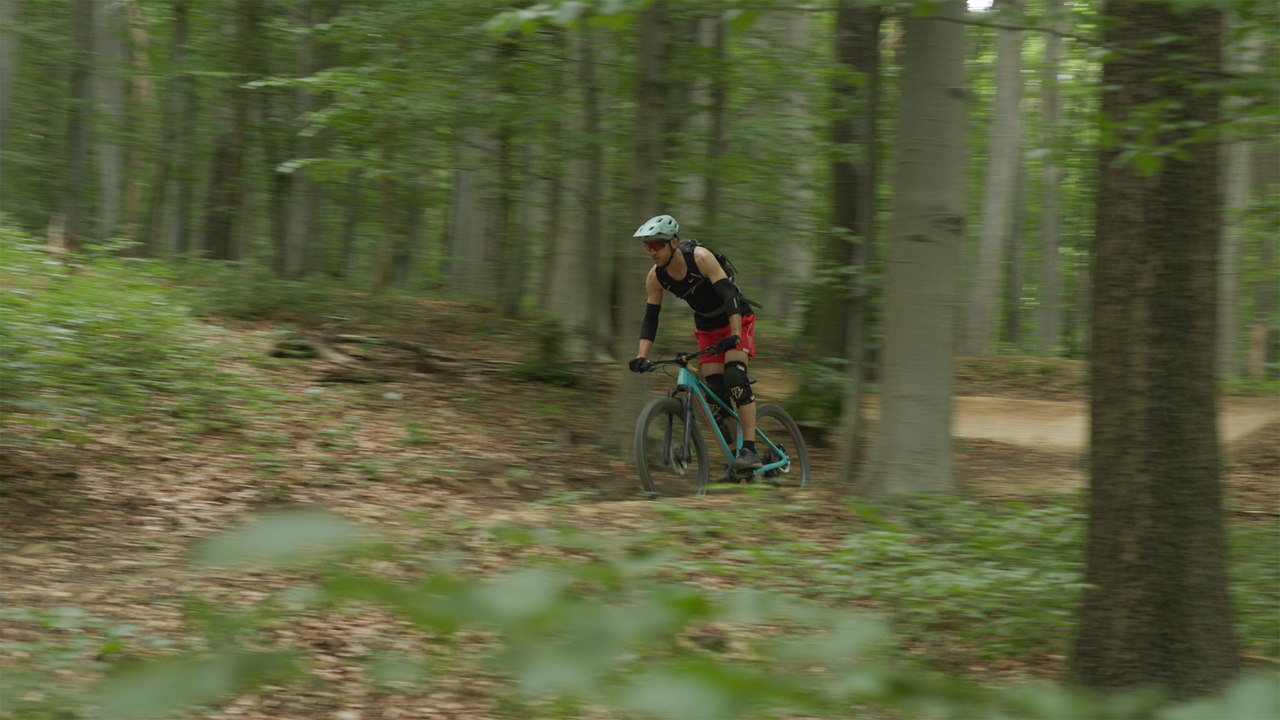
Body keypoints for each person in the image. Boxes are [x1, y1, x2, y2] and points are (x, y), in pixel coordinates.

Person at [626, 214, 761, 473]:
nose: (651, 251)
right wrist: (641, 356)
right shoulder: (655, 277)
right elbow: (650, 318)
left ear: (673, 242)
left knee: (734, 378)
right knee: (715, 396)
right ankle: (736, 461)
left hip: (736, 318)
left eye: (656, 244)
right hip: (708, 327)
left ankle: (751, 450)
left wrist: (734, 334)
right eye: (647, 245)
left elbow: (729, 294)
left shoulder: (700, 257)